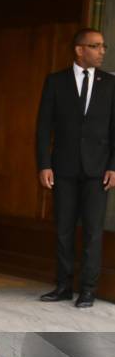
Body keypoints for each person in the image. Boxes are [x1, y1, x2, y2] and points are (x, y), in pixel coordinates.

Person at [37, 28, 115, 308]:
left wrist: (113, 166)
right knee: (64, 230)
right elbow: (44, 126)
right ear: (80, 50)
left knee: (93, 232)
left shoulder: (110, 83)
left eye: (103, 46)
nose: (102, 51)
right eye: (95, 46)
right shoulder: (56, 81)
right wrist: (44, 164)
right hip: (64, 168)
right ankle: (63, 286)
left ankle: (89, 290)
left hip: (98, 171)